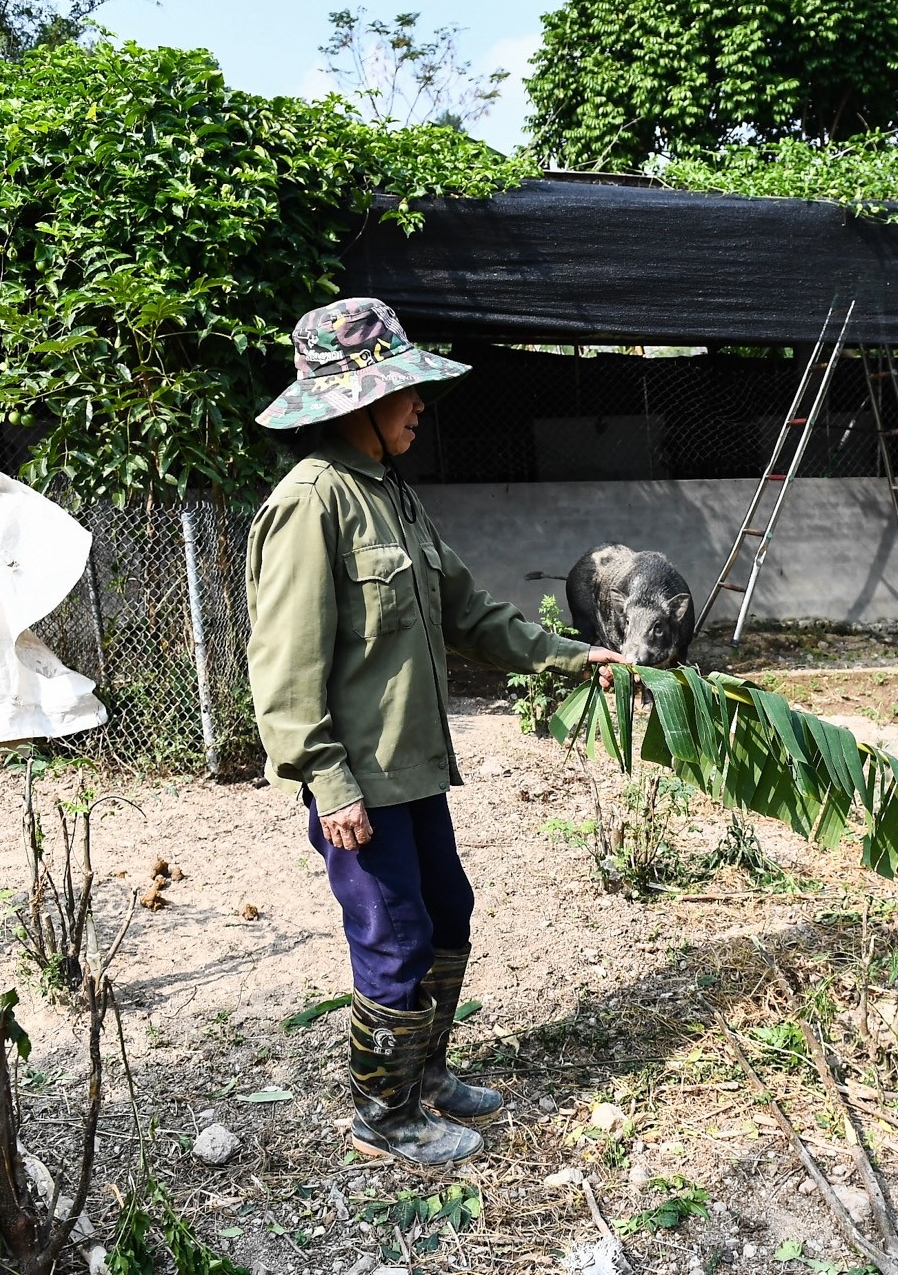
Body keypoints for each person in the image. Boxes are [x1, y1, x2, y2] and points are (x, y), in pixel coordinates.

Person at [246, 298, 630, 1166]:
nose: (420, 403)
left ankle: (425, 1075)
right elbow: (284, 665)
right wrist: (326, 780)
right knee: (392, 937)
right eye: (404, 389)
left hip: (414, 765)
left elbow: (472, 614)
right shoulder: (311, 503)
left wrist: (574, 657)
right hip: (361, 780)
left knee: (447, 912)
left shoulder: (391, 496)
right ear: (357, 402)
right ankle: (383, 1116)